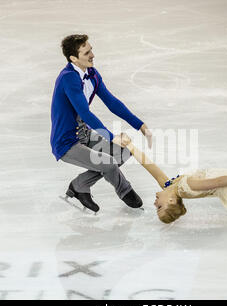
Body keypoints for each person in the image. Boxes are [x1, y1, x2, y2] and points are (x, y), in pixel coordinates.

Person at [50, 35, 152, 212]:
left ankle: (79, 186)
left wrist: (140, 125)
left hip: (84, 134)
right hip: (66, 142)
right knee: (108, 163)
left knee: (122, 153)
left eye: (91, 50)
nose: (92, 55)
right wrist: (111, 137)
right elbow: (84, 113)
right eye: (87, 52)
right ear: (74, 58)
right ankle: (125, 190)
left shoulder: (92, 74)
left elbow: (112, 102)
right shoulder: (68, 78)